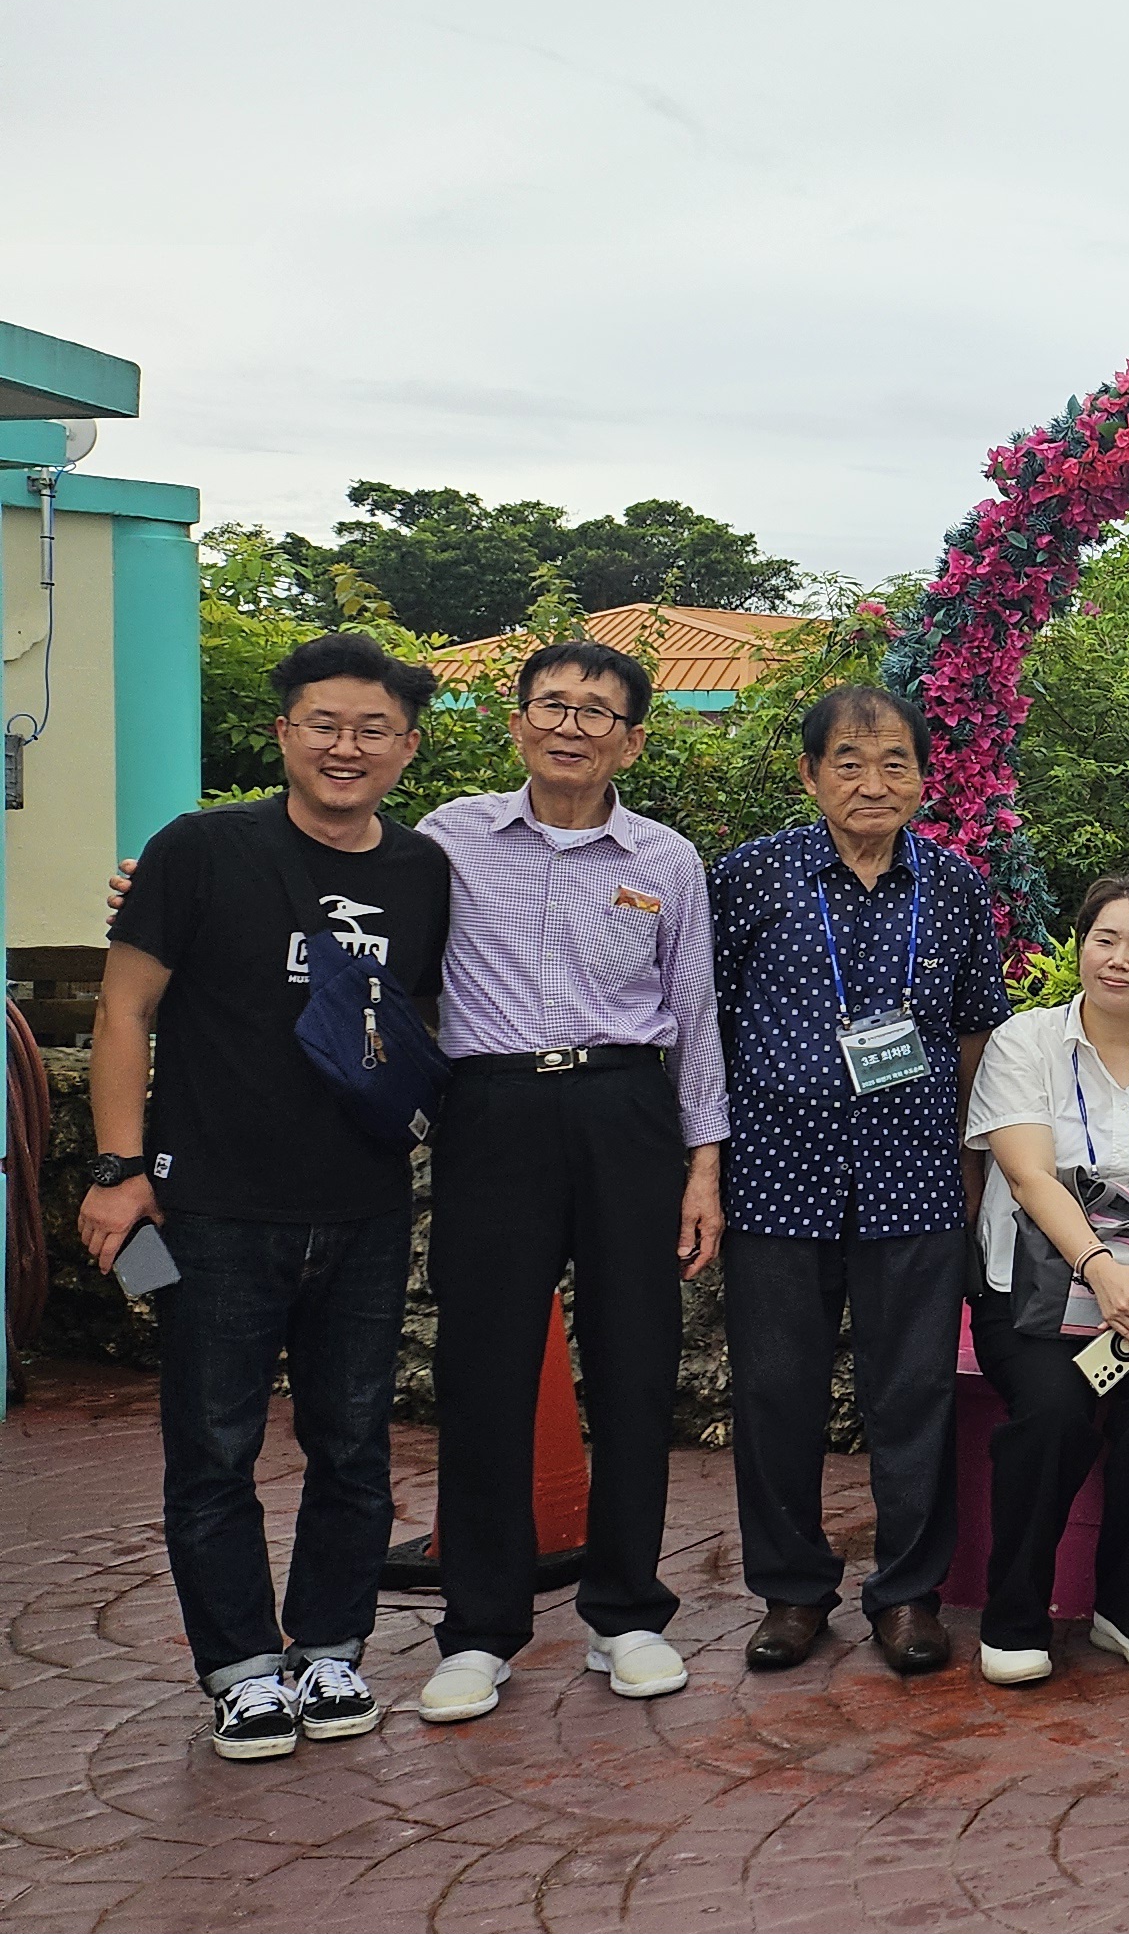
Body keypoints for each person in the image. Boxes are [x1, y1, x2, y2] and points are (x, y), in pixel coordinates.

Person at [82, 632, 452, 1760]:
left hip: (364, 1200)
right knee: (213, 1445)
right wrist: (117, 1166)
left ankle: (332, 1646)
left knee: (353, 1440)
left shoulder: (424, 870)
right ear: (285, 731)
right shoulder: (198, 849)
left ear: (407, 746)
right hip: (217, 1204)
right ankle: (242, 1669)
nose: (348, 746)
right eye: (325, 723)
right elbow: (122, 1012)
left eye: (373, 728)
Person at [416, 640, 731, 1725]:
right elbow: (359, 936)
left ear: (633, 738)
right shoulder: (446, 839)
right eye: (553, 703)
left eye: (599, 711)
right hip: (491, 1112)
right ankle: (479, 1627)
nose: (572, 724)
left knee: (638, 1359)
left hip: (624, 1112)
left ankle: (626, 1610)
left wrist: (704, 1164)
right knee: (485, 1366)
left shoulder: (667, 859)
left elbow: (695, 1021)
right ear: (517, 721)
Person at [709, 684, 1010, 1679]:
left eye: (894, 762)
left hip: (915, 1183)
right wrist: (700, 1163)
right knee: (777, 1393)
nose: (872, 781)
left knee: (912, 1394)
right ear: (809, 773)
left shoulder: (959, 888)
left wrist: (969, 1172)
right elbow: (699, 1022)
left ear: (925, 777)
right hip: (774, 1180)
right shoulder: (749, 877)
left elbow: (975, 1036)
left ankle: (909, 1594)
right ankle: (792, 1594)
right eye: (848, 760)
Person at [960, 873, 1129, 1686]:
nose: (1120, 960)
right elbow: (1030, 1176)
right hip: (1036, 1288)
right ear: (1078, 947)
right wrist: (1099, 1270)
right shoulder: (1023, 1043)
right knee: (1051, 1412)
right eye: (1105, 939)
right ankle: (1013, 1616)